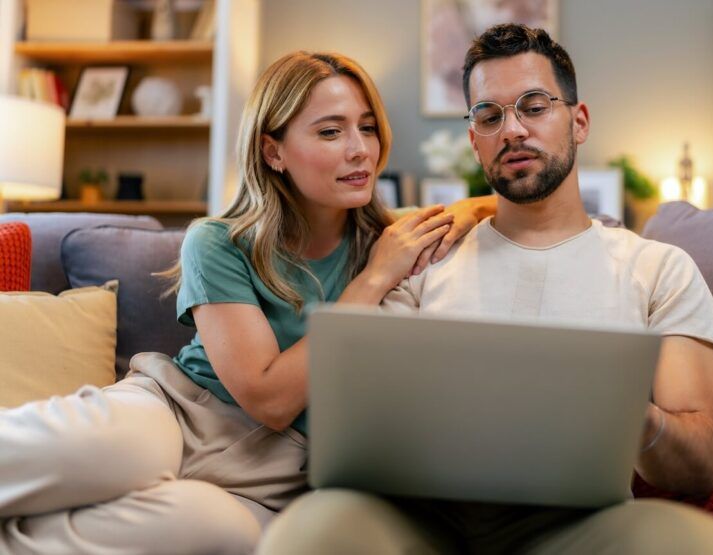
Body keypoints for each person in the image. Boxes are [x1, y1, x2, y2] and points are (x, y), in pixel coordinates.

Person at [259, 25, 713, 554]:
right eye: (489, 116)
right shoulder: (424, 257)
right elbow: (362, 421)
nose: (512, 130)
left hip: (578, 528)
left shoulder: (660, 269)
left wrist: (629, 412)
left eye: (535, 106)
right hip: (421, 521)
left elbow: (702, 464)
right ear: (474, 141)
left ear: (578, 121)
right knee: (309, 533)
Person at [0, 51, 495, 555]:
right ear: (273, 151)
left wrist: (476, 204)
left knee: (221, 536)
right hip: (180, 413)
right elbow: (270, 398)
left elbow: (498, 204)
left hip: (278, 475)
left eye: (367, 128)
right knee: (105, 452)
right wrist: (371, 282)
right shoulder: (218, 242)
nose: (359, 150)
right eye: (330, 132)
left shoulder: (393, 237)